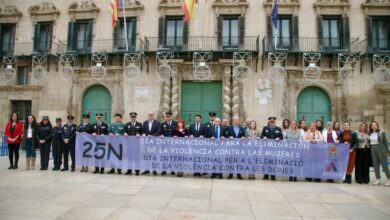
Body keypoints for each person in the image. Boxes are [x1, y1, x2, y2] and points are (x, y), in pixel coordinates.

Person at [260, 116, 283, 181]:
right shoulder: (265, 128)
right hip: (267, 148)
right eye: (271, 122)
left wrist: (279, 138)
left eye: (273, 122)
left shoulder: (278, 129)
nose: (272, 123)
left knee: (273, 161)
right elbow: (261, 136)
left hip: (274, 149)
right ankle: (266, 175)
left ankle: (273, 175)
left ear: (274, 122)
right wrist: (264, 137)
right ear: (269, 122)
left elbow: (281, 137)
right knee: (266, 161)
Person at [368, 121, 390, 186]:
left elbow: (385, 142)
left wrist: (387, 151)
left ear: (377, 126)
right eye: (372, 125)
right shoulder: (370, 133)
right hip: (372, 149)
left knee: (384, 165)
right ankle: (378, 179)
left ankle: (389, 179)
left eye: (375, 125)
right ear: (371, 127)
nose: (374, 126)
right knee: (375, 165)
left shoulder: (381, 133)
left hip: (381, 149)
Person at [226, 115, 246, 180]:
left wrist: (243, 138)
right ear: (233, 121)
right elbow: (226, 136)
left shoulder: (242, 129)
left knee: (239, 162)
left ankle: (239, 175)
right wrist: (229, 137)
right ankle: (230, 174)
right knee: (231, 161)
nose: (236, 121)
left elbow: (244, 136)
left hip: (239, 148)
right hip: (231, 148)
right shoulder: (229, 128)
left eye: (237, 120)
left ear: (238, 121)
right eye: (235, 120)